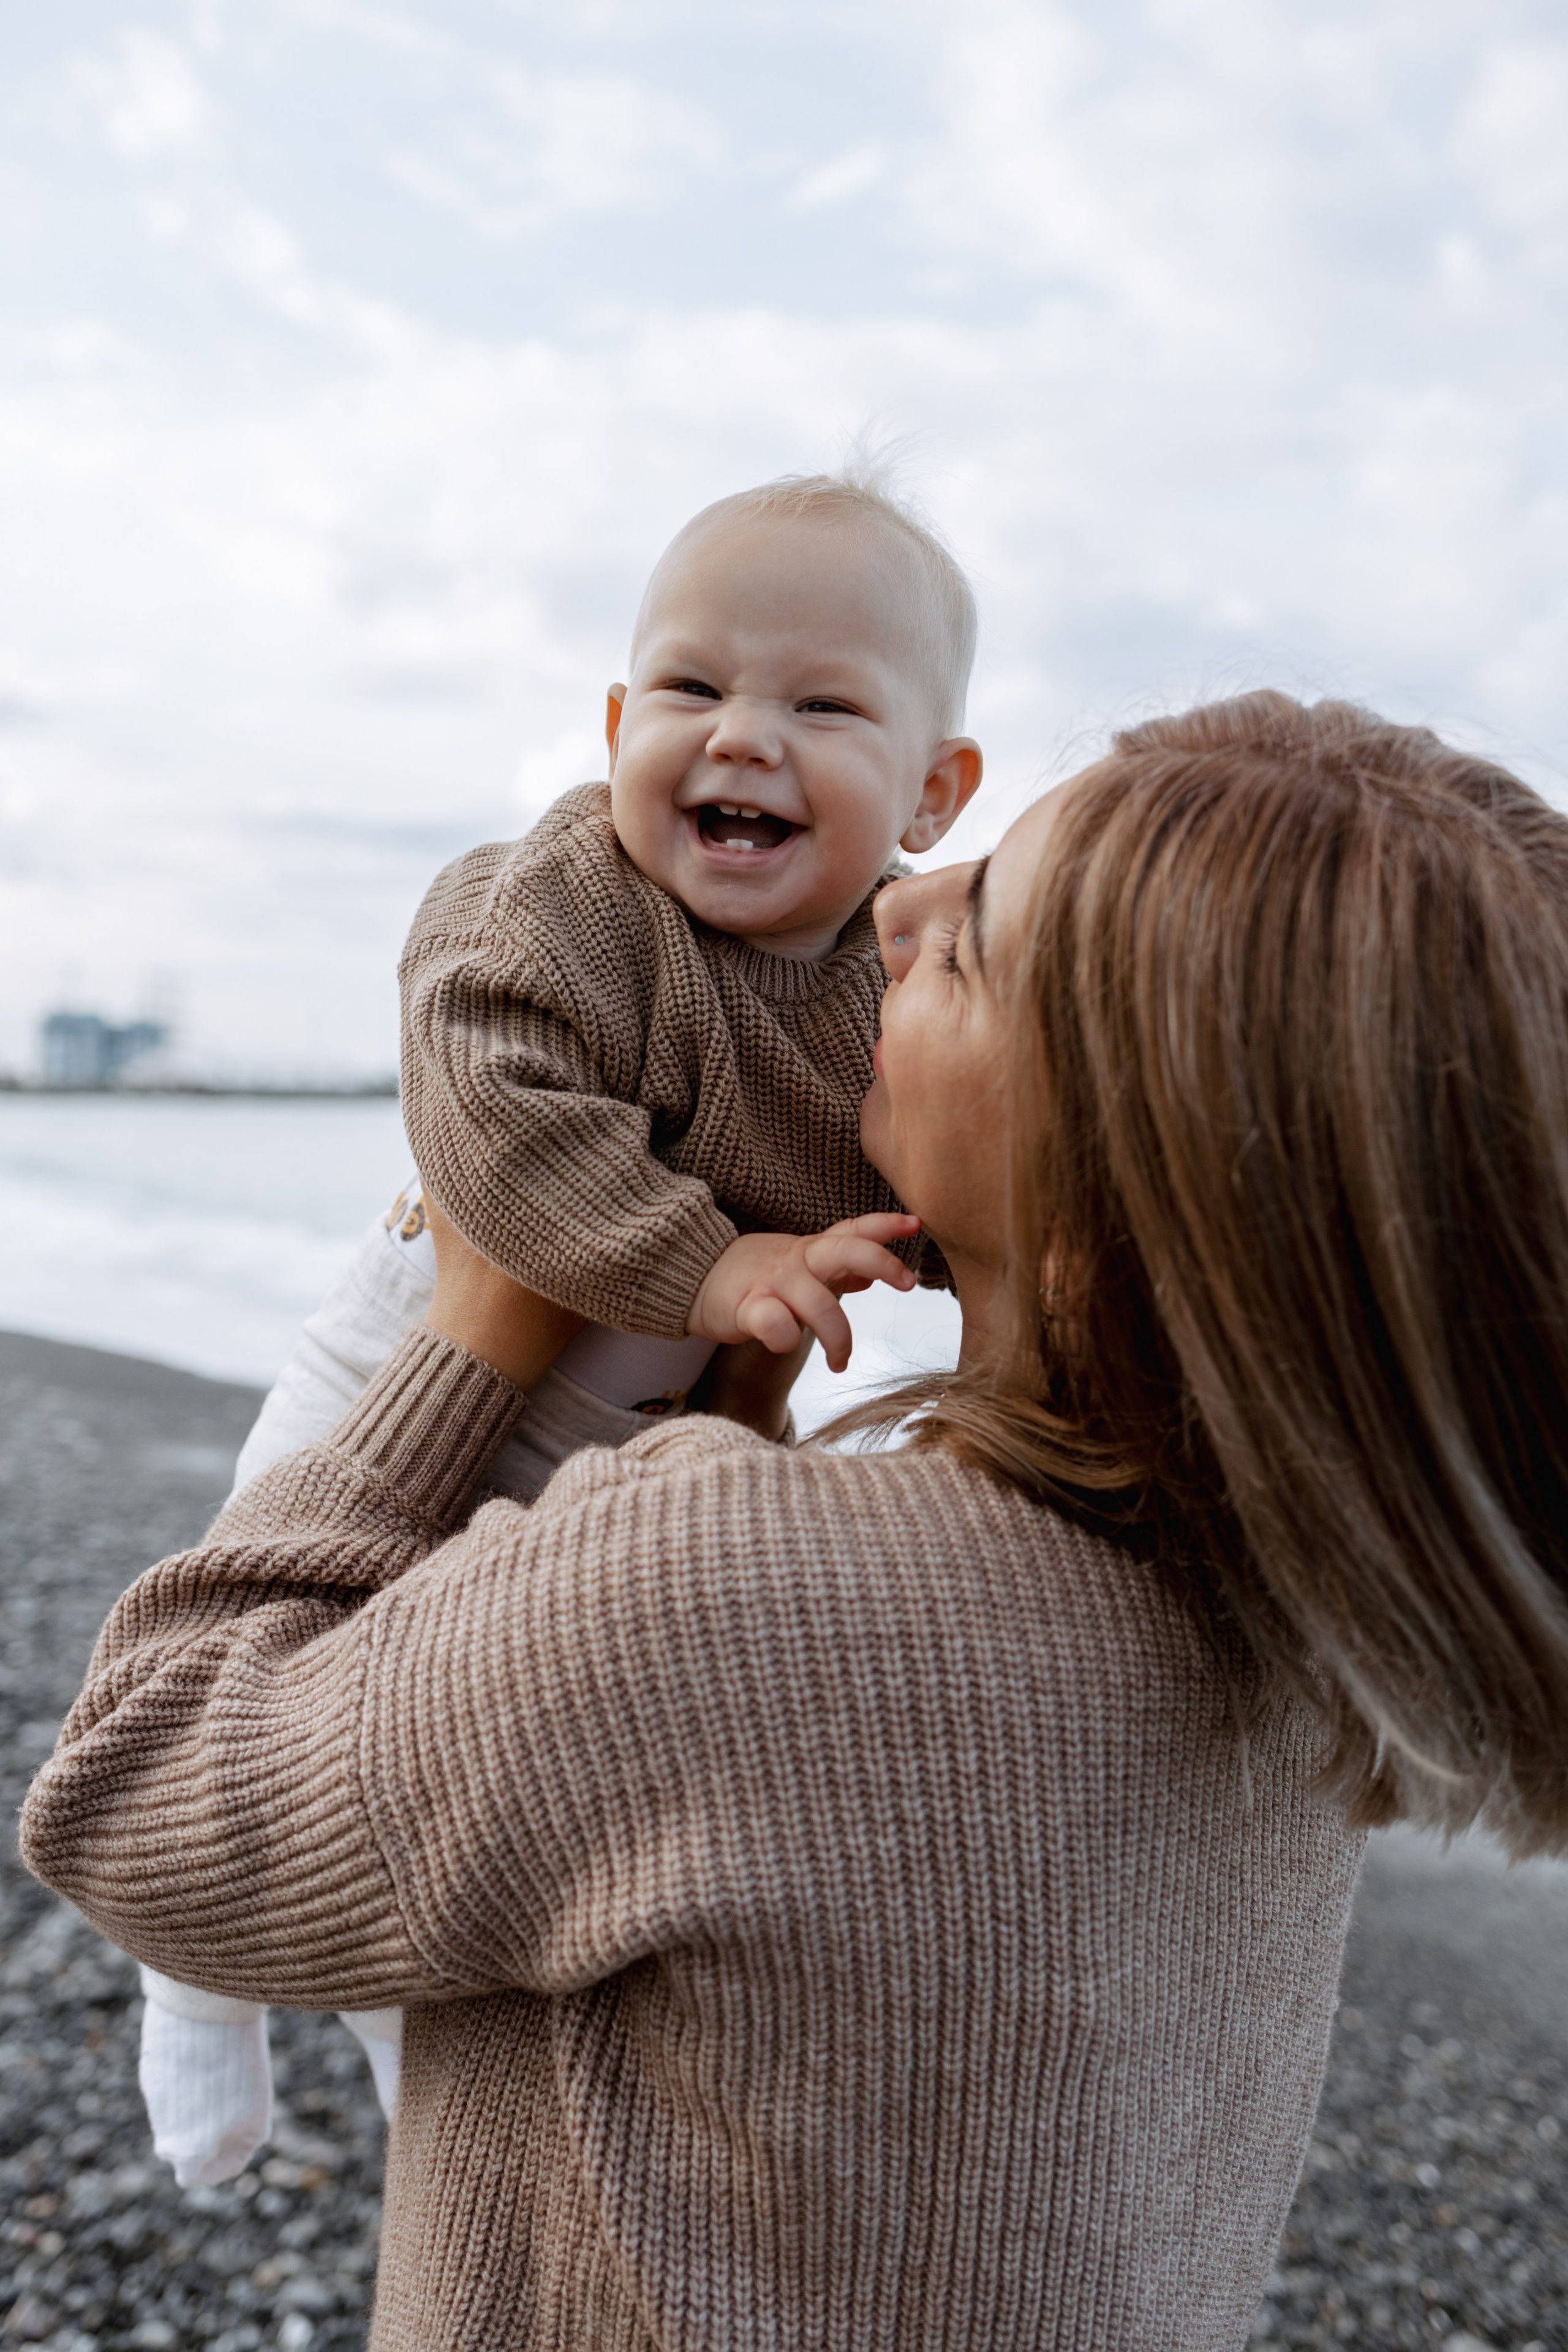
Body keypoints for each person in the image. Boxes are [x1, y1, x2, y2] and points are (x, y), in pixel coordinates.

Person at [26, 693, 1568, 2352]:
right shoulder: (1309, 1641)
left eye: (973, 948)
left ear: (1119, 1213)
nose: (896, 903)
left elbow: (142, 1807)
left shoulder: (732, 1588)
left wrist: (469, 1341)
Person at [132, 461, 984, 2186]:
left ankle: (416, 2103)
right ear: (612, 724)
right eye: (690, 687)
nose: (739, 737)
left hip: (628, 1438)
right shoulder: (561, 897)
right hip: (404, 1359)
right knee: (259, 1612)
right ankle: (188, 1979)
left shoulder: (886, 998)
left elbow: (953, 1201)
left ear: (933, 789)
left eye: (821, 703)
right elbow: (490, 1104)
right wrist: (709, 1271)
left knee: (423, 1778)